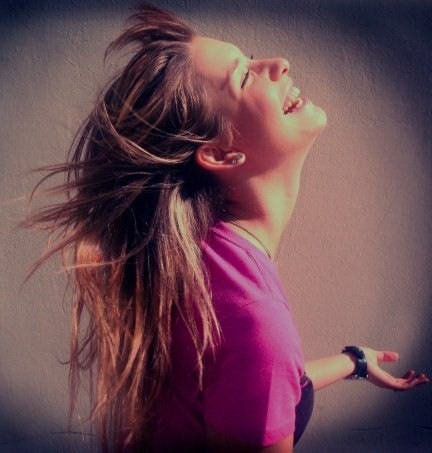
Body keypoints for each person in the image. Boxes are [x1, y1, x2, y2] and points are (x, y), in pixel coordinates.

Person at [23, 3, 428, 452]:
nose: (279, 63)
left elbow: (256, 385)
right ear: (220, 154)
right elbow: (260, 359)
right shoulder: (252, 315)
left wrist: (354, 361)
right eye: (244, 77)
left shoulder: (204, 257)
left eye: (249, 60)